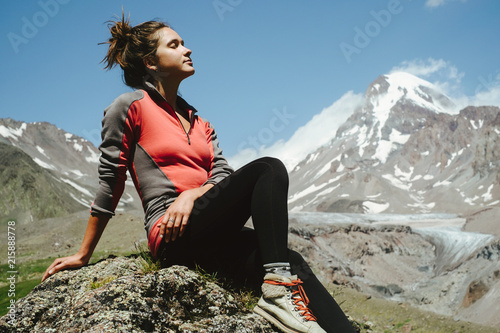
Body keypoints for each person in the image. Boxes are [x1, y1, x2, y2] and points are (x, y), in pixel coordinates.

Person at [42, 14, 355, 333]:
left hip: (212, 231)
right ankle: (276, 294)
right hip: (172, 234)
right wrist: (83, 255)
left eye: (184, 43)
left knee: (289, 259)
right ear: (151, 61)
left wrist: (193, 194)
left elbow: (222, 174)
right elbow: (111, 182)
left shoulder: (200, 122)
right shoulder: (129, 106)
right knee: (268, 169)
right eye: (175, 45)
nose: (188, 49)